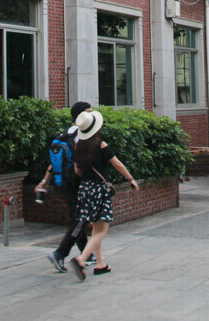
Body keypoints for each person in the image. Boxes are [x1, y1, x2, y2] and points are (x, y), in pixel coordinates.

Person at [69, 110, 139, 280]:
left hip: (84, 189)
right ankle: (81, 259)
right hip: (99, 189)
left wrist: (87, 180)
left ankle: (100, 264)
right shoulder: (101, 145)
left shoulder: (78, 146)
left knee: (96, 227)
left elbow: (77, 169)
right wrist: (130, 179)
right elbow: (118, 164)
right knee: (103, 229)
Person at [35, 101, 92, 273]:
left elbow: (54, 162)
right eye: (89, 112)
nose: (92, 115)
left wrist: (44, 181)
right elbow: (79, 163)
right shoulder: (81, 135)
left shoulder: (65, 133)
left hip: (64, 182)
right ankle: (60, 253)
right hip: (77, 182)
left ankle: (86, 254)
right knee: (80, 219)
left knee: (77, 216)